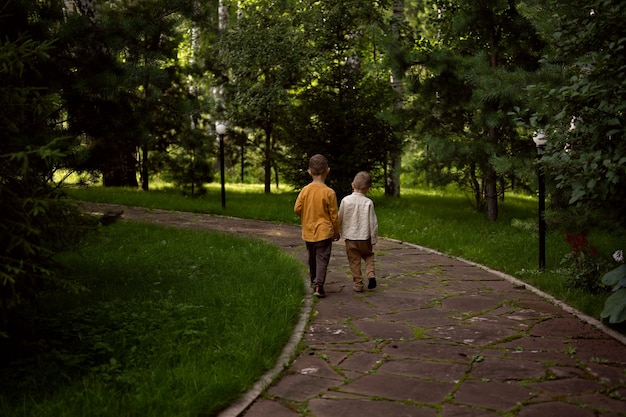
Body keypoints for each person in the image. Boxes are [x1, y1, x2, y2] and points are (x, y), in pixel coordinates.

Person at [294, 154, 340, 298]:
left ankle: (313, 280)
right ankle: (319, 285)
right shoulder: (329, 192)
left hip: (308, 231)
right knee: (322, 259)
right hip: (324, 231)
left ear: (309, 171)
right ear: (328, 170)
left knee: (312, 257)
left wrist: (306, 216)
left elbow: (297, 208)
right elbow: (334, 215)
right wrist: (336, 232)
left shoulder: (305, 190)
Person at [338, 171, 378, 292]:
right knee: (368, 255)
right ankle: (370, 274)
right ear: (368, 189)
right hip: (365, 237)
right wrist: (374, 238)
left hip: (350, 238)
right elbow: (373, 222)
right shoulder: (368, 202)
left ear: (352, 185)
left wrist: (336, 231)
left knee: (354, 261)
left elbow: (339, 217)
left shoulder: (345, 200)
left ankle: (358, 284)